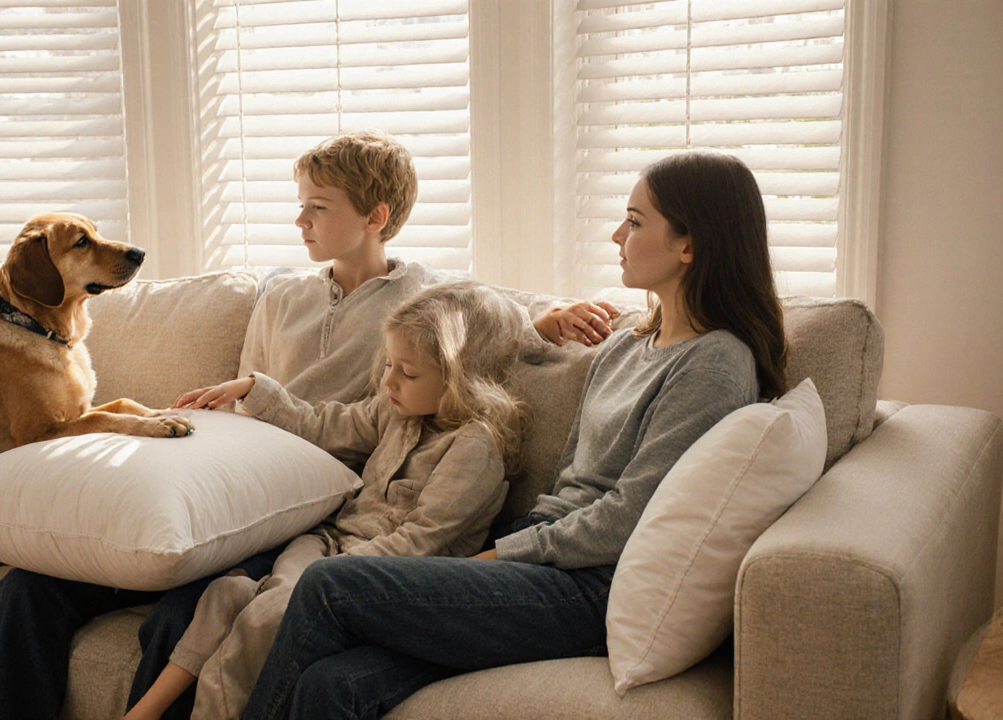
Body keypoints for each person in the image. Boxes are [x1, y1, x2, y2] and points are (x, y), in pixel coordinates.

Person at [0, 129, 616, 720]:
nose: (299, 220)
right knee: (29, 593)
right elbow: (246, 404)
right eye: (300, 204)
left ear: (376, 218)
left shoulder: (421, 299)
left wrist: (550, 317)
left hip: (307, 507)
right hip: (230, 480)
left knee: (188, 611)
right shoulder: (281, 295)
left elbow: (479, 327)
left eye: (317, 207)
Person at [238, 150, 790, 720]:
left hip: (588, 584)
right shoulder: (625, 346)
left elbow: (630, 516)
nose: (615, 233)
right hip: (541, 550)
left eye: (635, 220)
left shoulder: (715, 362)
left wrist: (503, 554)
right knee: (333, 685)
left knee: (331, 585)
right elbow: (566, 467)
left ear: (689, 246)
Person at [125, 280, 529, 720]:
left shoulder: (475, 447)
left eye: (407, 373)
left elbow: (420, 542)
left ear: (460, 378)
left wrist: (336, 574)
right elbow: (320, 424)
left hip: (376, 577)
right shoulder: (396, 411)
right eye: (389, 364)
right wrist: (251, 389)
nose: (389, 381)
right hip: (323, 545)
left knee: (269, 615)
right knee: (224, 594)